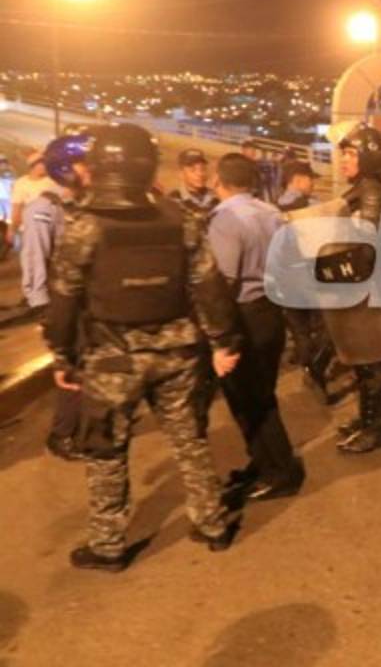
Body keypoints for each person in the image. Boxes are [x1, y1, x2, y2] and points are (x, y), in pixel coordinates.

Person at [44, 123, 242, 571]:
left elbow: (63, 299)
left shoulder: (84, 226)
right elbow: (209, 287)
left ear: (99, 166)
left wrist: (62, 355)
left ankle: (108, 545)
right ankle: (212, 524)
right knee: (190, 440)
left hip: (112, 357)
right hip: (179, 352)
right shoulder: (181, 219)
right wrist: (223, 341)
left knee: (106, 450)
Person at [209, 153, 305, 500]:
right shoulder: (272, 213)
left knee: (247, 399)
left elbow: (223, 279)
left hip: (243, 314)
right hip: (270, 310)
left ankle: (279, 471)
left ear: (219, 181)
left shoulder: (225, 219)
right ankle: (265, 462)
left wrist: (218, 333)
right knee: (262, 393)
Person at [310, 124, 381, 454]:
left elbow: (364, 245)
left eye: (350, 153)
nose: (343, 160)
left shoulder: (372, 190)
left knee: (371, 364)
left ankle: (376, 428)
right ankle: (368, 419)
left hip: (363, 286)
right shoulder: (365, 187)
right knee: (363, 363)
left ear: (368, 156)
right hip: (359, 285)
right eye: (343, 153)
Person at [22, 134, 91, 460]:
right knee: (72, 368)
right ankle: (62, 435)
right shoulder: (44, 208)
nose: (90, 169)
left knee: (88, 365)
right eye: (84, 164)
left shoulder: (84, 204)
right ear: (65, 168)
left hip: (86, 301)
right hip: (61, 303)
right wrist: (42, 308)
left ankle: (83, 427)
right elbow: (35, 259)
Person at [276, 159, 334, 401]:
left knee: (300, 331)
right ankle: (315, 371)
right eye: (310, 179)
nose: (313, 184)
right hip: (312, 275)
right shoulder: (314, 206)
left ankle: (308, 369)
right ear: (298, 180)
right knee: (325, 326)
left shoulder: (273, 208)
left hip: (286, 278)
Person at [9, 149, 58, 251]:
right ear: (33, 166)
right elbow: (16, 208)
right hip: (26, 230)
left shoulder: (52, 183)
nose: (45, 167)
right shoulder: (21, 183)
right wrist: (11, 229)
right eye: (42, 164)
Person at [167, 148, 218, 216]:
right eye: (193, 170)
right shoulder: (173, 200)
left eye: (203, 169)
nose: (200, 174)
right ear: (181, 174)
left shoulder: (216, 198)